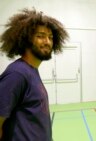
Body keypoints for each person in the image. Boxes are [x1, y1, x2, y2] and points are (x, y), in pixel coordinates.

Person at [0, 8, 68, 141]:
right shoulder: (17, 74)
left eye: (50, 37)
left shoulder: (31, 71)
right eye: (40, 36)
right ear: (26, 40)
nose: (47, 42)